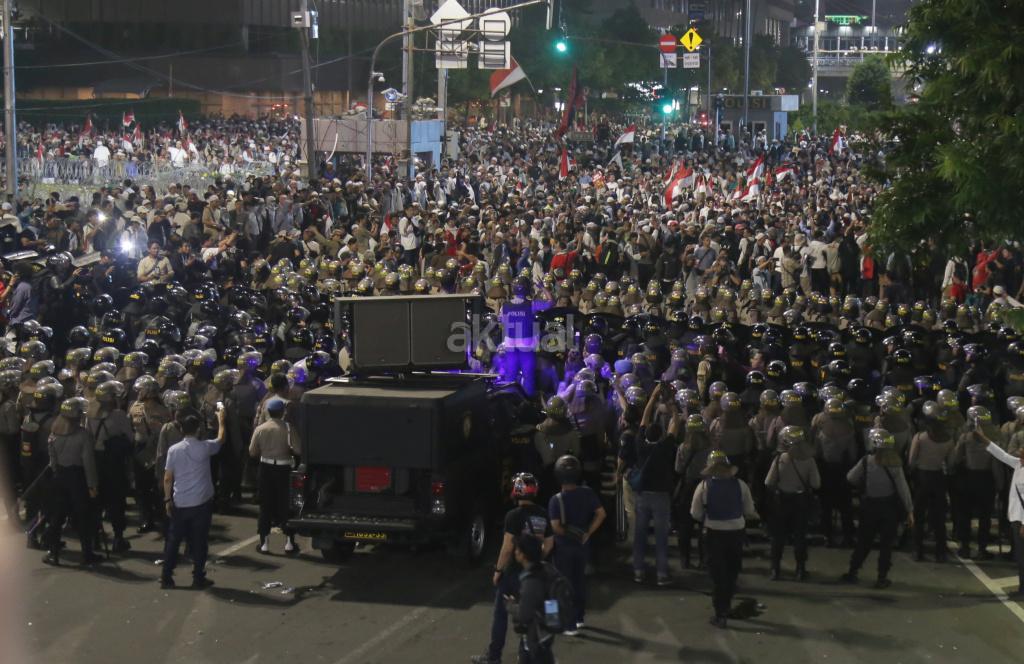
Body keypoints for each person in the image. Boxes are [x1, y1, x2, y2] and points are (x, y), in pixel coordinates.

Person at [472, 473, 553, 664]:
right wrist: (536, 559)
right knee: (529, 615)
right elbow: (549, 544)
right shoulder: (543, 514)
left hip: (514, 573)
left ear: (516, 491)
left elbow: (507, 546)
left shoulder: (513, 516)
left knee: (501, 614)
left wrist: (498, 570)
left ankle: (494, 656)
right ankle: (525, 654)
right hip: (533, 572)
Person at [690, 450, 758, 628]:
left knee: (718, 575)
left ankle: (721, 613)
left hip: (714, 533)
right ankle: (726, 604)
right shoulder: (741, 485)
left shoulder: (703, 487)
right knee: (731, 571)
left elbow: (695, 513)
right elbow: (749, 510)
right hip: (736, 532)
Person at [160, 408, 226, 589]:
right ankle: (198, 577)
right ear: (198, 430)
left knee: (174, 540)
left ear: (182, 429)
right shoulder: (205, 447)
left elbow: (168, 478)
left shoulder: (174, 450)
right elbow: (221, 438)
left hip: (180, 501)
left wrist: (167, 500)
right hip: (201, 502)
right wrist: (221, 419)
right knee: (199, 542)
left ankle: (166, 576)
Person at [842, 429, 914, 589]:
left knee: (864, 541)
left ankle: (853, 571)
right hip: (889, 508)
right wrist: (909, 510)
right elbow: (903, 489)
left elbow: (850, 477)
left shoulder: (867, 461)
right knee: (886, 545)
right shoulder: (895, 464)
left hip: (869, 506)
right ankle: (882, 577)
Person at [547, 454, 605, 636]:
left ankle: (568, 625)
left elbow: (556, 527)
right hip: (582, 546)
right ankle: (579, 618)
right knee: (579, 582)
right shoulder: (587, 493)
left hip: (563, 549)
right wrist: (587, 532)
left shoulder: (556, 500)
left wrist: (567, 534)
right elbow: (601, 514)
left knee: (563, 585)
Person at [629, 387, 678, 586]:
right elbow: (675, 424)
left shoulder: (640, 445)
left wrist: (653, 396)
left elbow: (644, 419)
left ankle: (638, 571)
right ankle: (661, 574)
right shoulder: (664, 447)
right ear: (660, 436)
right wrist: (673, 406)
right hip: (661, 496)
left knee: (640, 535)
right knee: (661, 537)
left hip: (643, 495)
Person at [43, 397, 101, 566]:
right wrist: (92, 485)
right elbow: (88, 463)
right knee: (83, 516)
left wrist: (57, 473)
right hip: (77, 479)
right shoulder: (83, 435)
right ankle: (86, 554)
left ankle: (53, 552)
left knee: (57, 516)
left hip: (60, 477)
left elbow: (52, 460)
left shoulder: (54, 432)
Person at [765, 425, 820, 580]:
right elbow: (816, 484)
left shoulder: (780, 459)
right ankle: (800, 569)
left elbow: (768, 482)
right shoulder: (809, 460)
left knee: (778, 537)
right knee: (800, 536)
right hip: (800, 501)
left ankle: (775, 569)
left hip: (782, 501)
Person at [976, 427, 1024, 597]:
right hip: (1016, 517)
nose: (1019, 450)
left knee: (1022, 557)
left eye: (1022, 450)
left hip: (1022, 521)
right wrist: (983, 438)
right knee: (1020, 556)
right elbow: (1001, 455)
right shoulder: (1018, 464)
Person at [247, 397, 299, 554]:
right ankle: (289, 542)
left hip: (266, 468)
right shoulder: (288, 428)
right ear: (282, 412)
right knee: (286, 504)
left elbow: (252, 452)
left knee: (265, 506)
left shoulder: (260, 428)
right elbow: (298, 450)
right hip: (284, 469)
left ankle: (264, 543)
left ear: (268, 412)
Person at [506, 534, 555, 664]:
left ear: (524, 555)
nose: (515, 552)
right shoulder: (547, 568)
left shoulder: (531, 580)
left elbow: (524, 615)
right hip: (546, 633)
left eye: (518, 549)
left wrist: (511, 606)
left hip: (536, 637)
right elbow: (551, 600)